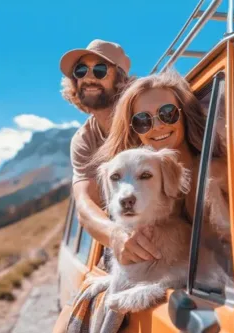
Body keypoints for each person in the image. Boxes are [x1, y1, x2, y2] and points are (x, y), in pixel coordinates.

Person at [88, 70, 233, 267]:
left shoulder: (214, 173)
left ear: (184, 115)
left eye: (167, 114)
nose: (156, 126)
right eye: (142, 121)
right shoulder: (131, 184)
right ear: (134, 131)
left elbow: (225, 249)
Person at [60, 39, 162, 267]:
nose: (88, 78)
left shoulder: (146, 116)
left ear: (121, 78)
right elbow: (85, 204)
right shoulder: (84, 139)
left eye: (99, 70)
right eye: (80, 71)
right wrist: (115, 235)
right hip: (130, 246)